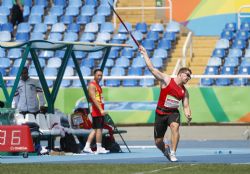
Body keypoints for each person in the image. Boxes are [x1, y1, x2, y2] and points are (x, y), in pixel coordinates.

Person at [139, 45, 192, 162]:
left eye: (190, 76)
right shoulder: (166, 80)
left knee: (175, 126)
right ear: (180, 74)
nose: (189, 77)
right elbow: (152, 69)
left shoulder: (184, 91)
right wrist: (145, 54)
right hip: (160, 113)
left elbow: (186, 106)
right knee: (158, 142)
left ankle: (173, 153)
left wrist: (188, 114)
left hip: (173, 113)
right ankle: (165, 150)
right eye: (187, 75)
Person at [83, 69, 110, 154]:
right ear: (94, 75)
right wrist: (101, 109)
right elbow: (94, 99)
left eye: (101, 75)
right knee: (99, 129)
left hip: (99, 109)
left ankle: (87, 147)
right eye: (98, 75)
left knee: (95, 129)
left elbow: (99, 98)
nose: (100, 77)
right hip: (96, 110)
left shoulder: (98, 85)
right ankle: (99, 147)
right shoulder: (92, 85)